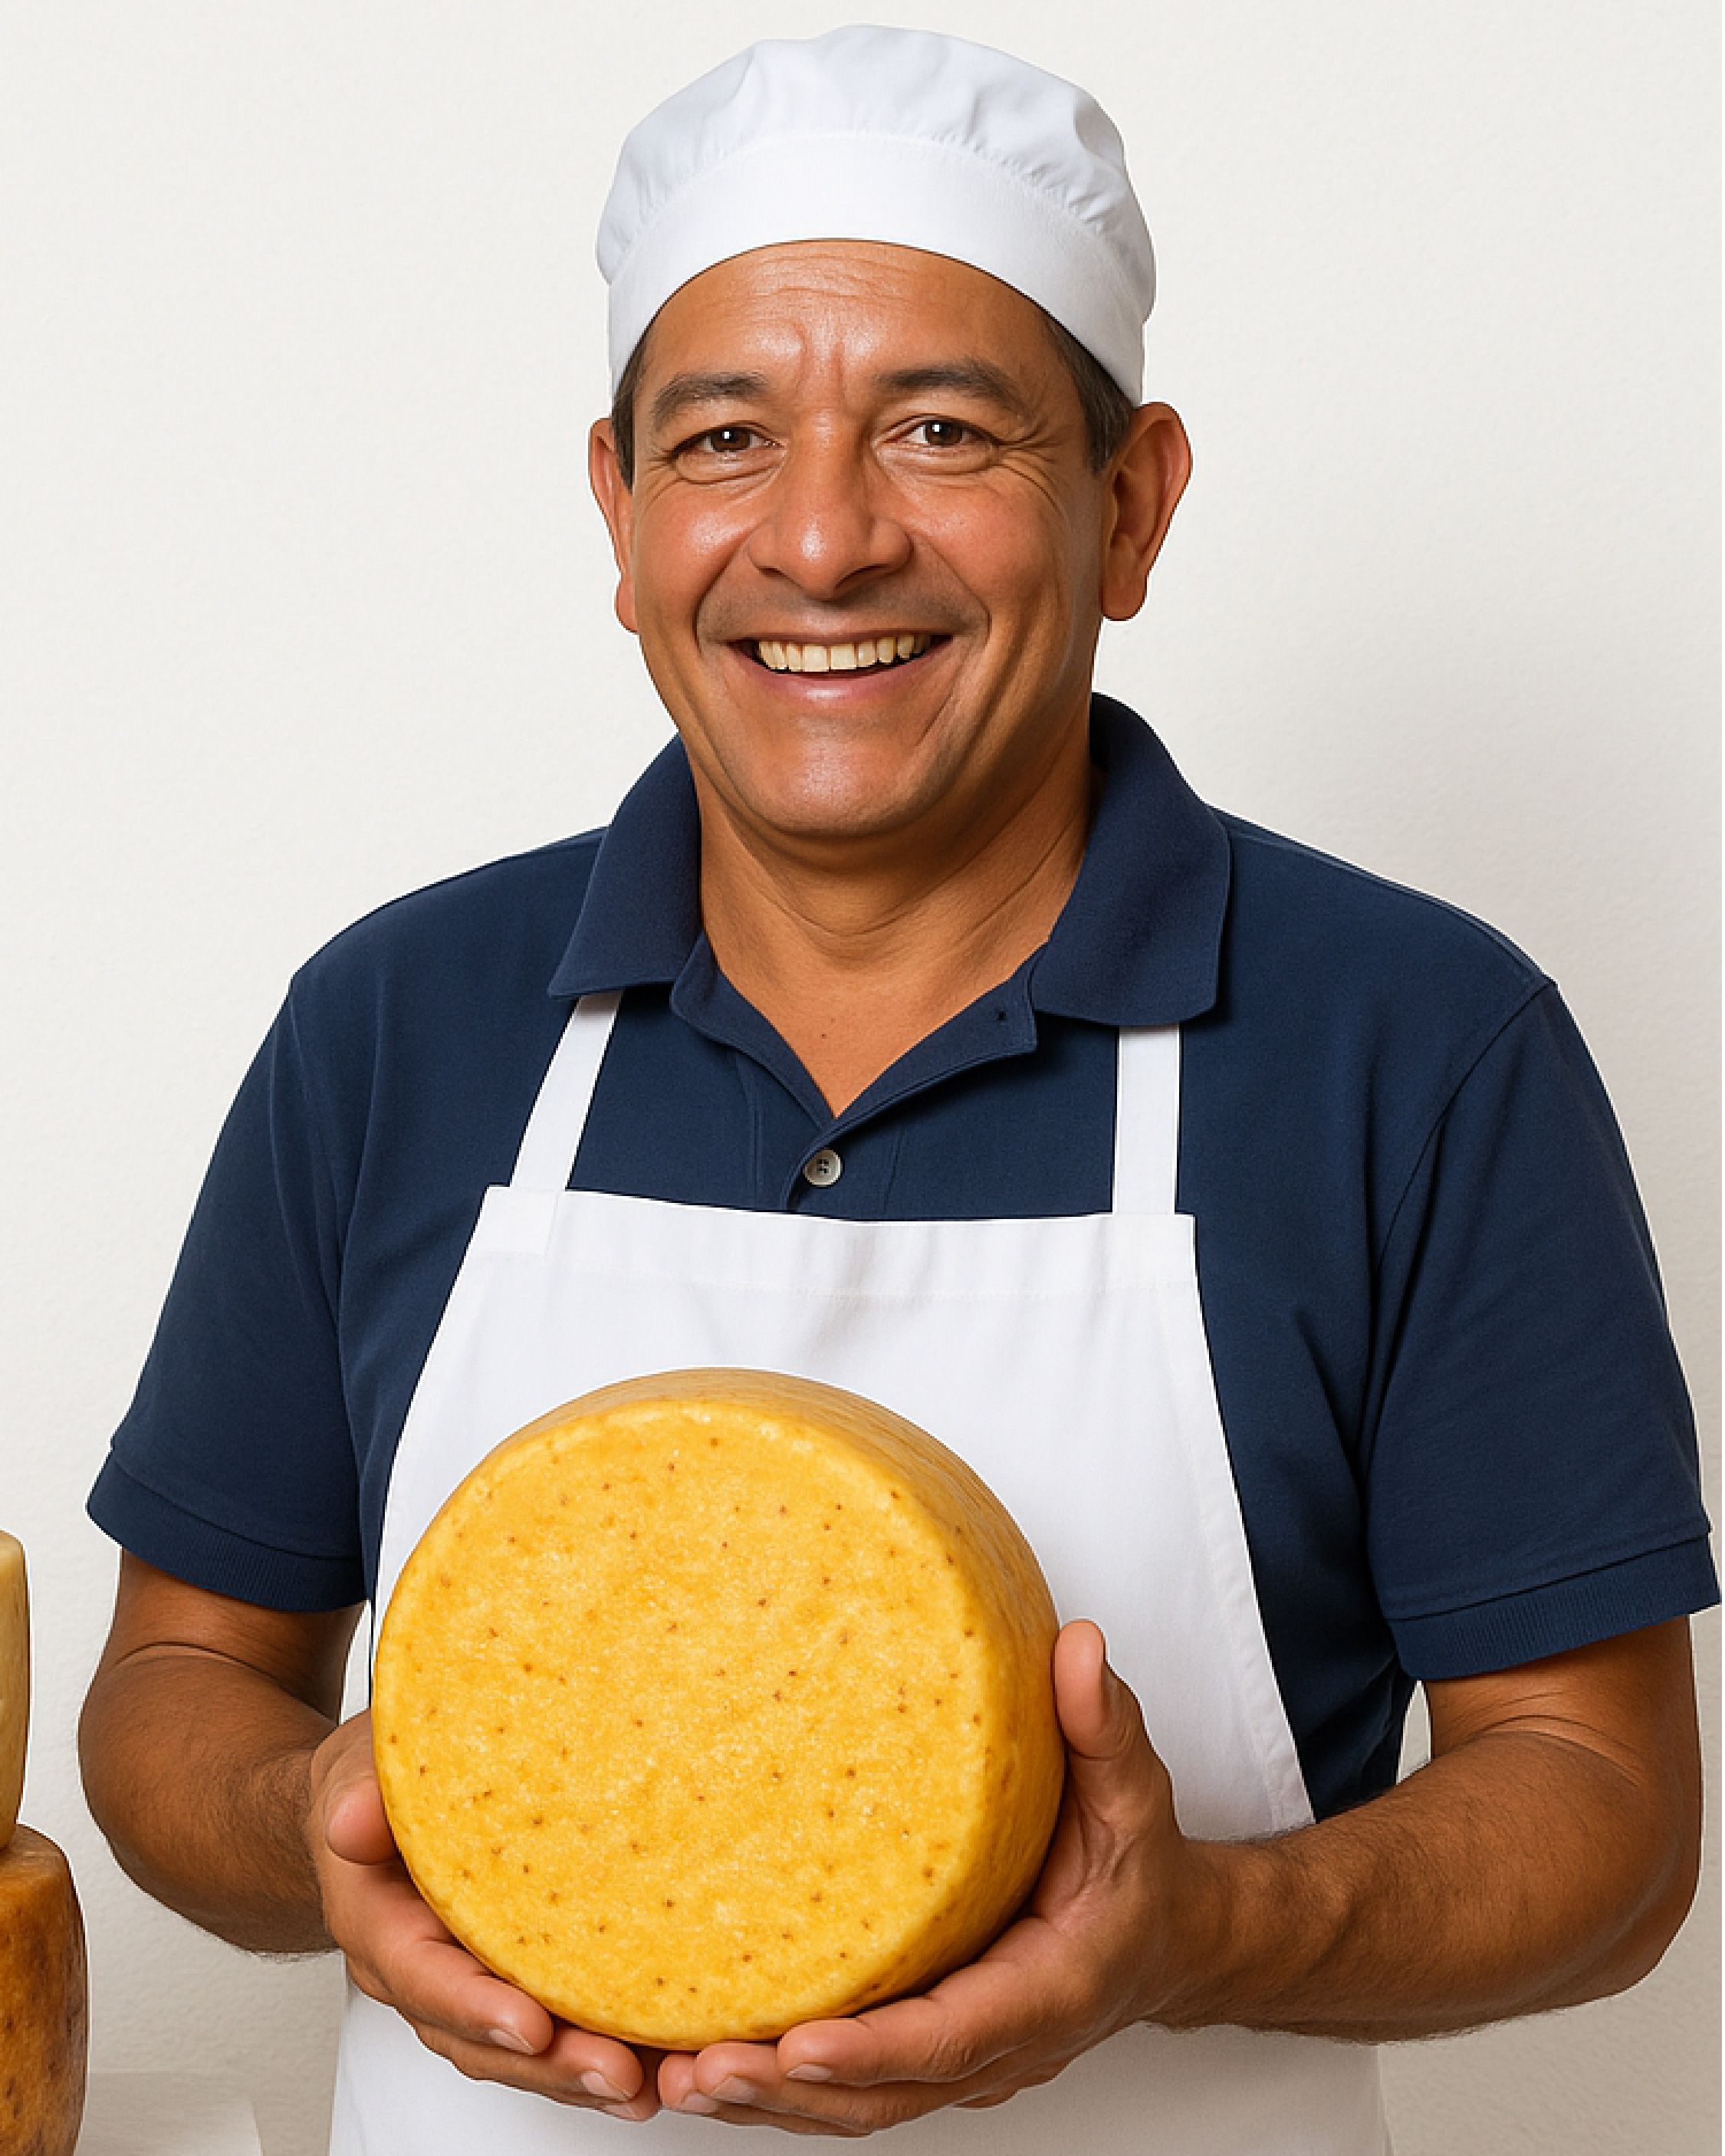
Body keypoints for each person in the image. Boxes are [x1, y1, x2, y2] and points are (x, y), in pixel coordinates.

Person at [77, 25, 1714, 2154]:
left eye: (942, 430)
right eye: (726, 438)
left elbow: (1600, 1810)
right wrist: (330, 1819)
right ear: (620, 511)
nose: (825, 541)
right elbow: (173, 1690)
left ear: (1128, 505)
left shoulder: (1412, 1043)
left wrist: (1192, 1930)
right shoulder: (396, 1022)